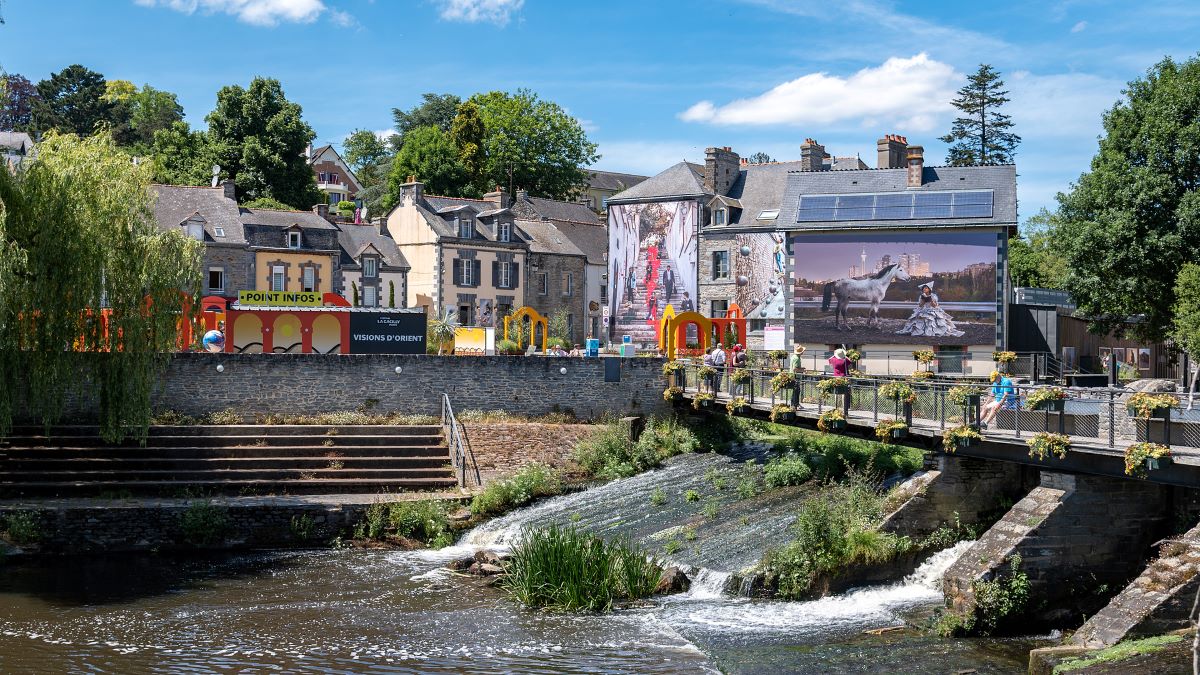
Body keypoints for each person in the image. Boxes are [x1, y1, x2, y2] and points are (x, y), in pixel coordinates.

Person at [895, 282, 965, 337]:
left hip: (932, 310)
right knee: (918, 320)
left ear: (929, 289)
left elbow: (935, 305)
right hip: (923, 310)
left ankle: (932, 332)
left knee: (933, 320)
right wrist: (923, 300)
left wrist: (931, 300)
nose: (924, 289)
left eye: (926, 288)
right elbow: (920, 305)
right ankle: (921, 331)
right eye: (923, 288)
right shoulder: (921, 296)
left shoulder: (933, 296)